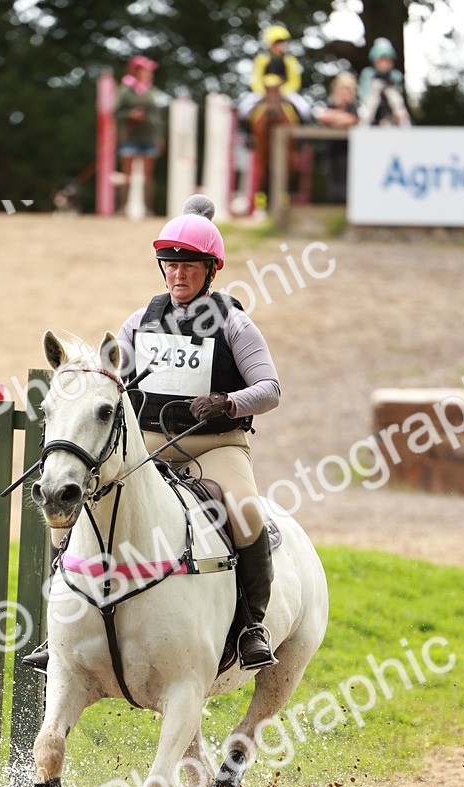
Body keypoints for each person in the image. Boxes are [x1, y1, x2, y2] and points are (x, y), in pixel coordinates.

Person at [117, 194, 281, 670]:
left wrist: (229, 402)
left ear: (212, 269)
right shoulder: (139, 322)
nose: (178, 274)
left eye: (189, 265)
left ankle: (253, 624)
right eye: (169, 264)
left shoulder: (234, 323)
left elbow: (270, 389)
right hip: (151, 440)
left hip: (217, 444)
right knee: (93, 494)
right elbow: (114, 377)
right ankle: (68, 616)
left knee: (246, 513)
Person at [113, 55, 166, 215]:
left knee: (148, 176)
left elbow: (157, 117)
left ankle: (148, 210)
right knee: (127, 175)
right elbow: (115, 112)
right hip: (130, 137)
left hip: (149, 137)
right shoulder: (124, 89)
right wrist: (130, 114)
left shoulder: (150, 90)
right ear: (136, 71)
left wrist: (159, 136)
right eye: (146, 70)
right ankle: (122, 209)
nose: (149, 73)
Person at [314, 73, 359, 202]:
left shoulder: (355, 107)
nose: (344, 93)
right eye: (342, 89)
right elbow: (321, 116)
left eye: (347, 90)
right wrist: (341, 117)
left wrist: (333, 118)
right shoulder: (329, 105)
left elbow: (352, 120)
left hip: (350, 153)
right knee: (333, 184)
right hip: (331, 153)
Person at [357, 38, 411, 127]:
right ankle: (363, 126)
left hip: (390, 116)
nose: (385, 64)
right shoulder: (368, 74)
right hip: (372, 112)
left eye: (388, 61)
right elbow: (364, 96)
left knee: (394, 96)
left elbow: (398, 98)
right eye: (382, 60)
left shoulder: (395, 75)